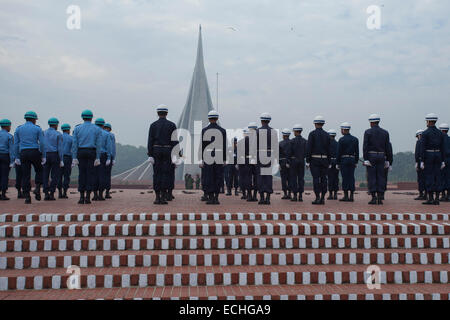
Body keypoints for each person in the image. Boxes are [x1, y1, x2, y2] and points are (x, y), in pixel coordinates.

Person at [147, 105, 179, 205]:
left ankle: (157, 197)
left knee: (157, 174)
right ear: (166, 113)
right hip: (168, 151)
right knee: (166, 173)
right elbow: (175, 141)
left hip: (156, 150)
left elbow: (150, 141)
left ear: (157, 113)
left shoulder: (153, 125)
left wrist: (150, 154)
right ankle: (163, 196)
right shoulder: (172, 125)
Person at [14, 111, 46, 204]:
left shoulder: (19, 129)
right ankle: (37, 187)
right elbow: (42, 143)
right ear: (33, 119)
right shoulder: (37, 129)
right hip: (34, 152)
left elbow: (16, 144)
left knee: (25, 175)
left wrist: (17, 157)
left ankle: (27, 196)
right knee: (39, 170)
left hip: (23, 153)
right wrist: (43, 155)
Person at [72, 109, 102, 204]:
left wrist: (74, 157)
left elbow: (74, 144)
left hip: (81, 151)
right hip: (91, 152)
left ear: (82, 117)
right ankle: (88, 197)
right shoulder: (97, 129)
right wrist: (98, 157)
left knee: (82, 173)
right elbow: (98, 144)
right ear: (91, 118)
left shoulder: (77, 128)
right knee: (90, 174)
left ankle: (81, 197)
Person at [363, 114, 392, 205]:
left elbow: (365, 147)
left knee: (372, 176)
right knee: (381, 176)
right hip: (381, 156)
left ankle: (373, 197)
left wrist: (366, 159)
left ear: (371, 122)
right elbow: (388, 147)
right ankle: (380, 197)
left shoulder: (368, 132)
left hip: (371, 156)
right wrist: (388, 160)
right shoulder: (385, 132)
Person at [199, 110, 227, 205]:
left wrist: (201, 159)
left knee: (209, 177)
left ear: (209, 118)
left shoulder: (204, 130)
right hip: (219, 156)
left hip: (208, 156)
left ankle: (210, 197)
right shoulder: (223, 131)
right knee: (218, 176)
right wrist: (224, 159)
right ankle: (216, 197)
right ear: (217, 118)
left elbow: (202, 146)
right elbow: (224, 146)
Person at [419, 114, 446, 205]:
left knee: (429, 176)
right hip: (438, 155)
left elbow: (422, 147)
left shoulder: (425, 133)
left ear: (428, 121)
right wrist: (443, 160)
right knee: (438, 176)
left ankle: (430, 198)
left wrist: (422, 160)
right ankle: (437, 198)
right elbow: (443, 148)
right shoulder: (440, 133)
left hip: (429, 155)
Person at [306, 116, 331, 205]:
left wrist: (308, 160)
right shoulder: (327, 135)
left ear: (315, 124)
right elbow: (329, 149)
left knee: (316, 179)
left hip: (314, 159)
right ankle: (323, 197)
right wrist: (329, 161)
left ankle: (317, 197)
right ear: (323, 124)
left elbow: (309, 148)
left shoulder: (312, 134)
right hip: (324, 160)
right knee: (324, 179)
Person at [256, 113, 277, 205]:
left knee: (260, 176)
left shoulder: (257, 131)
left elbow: (253, 146)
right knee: (268, 176)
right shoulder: (273, 132)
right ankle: (268, 197)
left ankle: (261, 197)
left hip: (260, 154)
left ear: (261, 121)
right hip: (269, 154)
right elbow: (276, 145)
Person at [336, 122, 359, 202]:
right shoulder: (355, 139)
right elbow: (357, 152)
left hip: (344, 160)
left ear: (343, 129)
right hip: (352, 159)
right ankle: (351, 196)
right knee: (351, 177)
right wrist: (356, 161)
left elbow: (338, 152)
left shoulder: (341, 140)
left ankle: (346, 196)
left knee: (345, 177)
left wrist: (337, 163)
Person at [43, 118, 63, 201]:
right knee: (55, 175)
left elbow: (41, 144)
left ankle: (46, 193)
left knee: (45, 175)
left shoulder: (43, 133)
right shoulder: (58, 134)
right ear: (55, 125)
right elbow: (60, 148)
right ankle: (51, 193)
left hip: (45, 154)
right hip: (55, 155)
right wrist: (61, 159)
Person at [92, 118, 112, 201]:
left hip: (93, 155)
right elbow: (109, 147)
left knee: (93, 175)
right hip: (103, 156)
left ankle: (94, 194)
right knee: (102, 175)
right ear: (103, 125)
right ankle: (100, 194)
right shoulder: (107, 134)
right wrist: (109, 157)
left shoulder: (92, 133)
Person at [289, 124, 307, 202]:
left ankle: (295, 195)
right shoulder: (305, 141)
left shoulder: (292, 141)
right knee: (301, 178)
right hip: (301, 160)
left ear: (295, 132)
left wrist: (289, 161)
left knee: (293, 178)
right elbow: (307, 152)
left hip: (294, 161)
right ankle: (300, 196)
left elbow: (289, 153)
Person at [57, 124, 73, 199]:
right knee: (66, 176)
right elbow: (73, 150)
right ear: (68, 130)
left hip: (59, 158)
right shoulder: (71, 138)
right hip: (67, 158)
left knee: (59, 176)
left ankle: (59, 192)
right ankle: (64, 192)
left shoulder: (59, 136)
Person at [0, 119, 14, 201]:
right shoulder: (9, 136)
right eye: (9, 126)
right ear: (7, 126)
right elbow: (11, 150)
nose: (10, 128)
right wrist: (12, 161)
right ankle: (3, 194)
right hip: (5, 156)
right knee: (4, 175)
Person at [103, 123, 116, 199]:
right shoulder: (111, 135)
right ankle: (107, 192)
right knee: (107, 175)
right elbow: (113, 147)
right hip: (109, 156)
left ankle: (99, 192)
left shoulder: (100, 134)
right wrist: (113, 157)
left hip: (101, 156)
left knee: (100, 174)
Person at [247, 122, 259, 202]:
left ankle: (250, 195)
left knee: (248, 178)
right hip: (256, 161)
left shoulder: (246, 139)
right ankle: (254, 195)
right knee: (256, 179)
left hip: (248, 161)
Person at [327, 129, 339, 200]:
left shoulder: (327, 144)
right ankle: (335, 194)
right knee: (336, 178)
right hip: (336, 162)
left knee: (330, 178)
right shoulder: (337, 143)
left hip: (330, 162)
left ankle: (331, 194)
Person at [279, 128, 291, 200]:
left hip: (282, 162)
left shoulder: (280, 143)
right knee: (290, 179)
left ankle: (285, 194)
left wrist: (278, 164)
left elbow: (278, 155)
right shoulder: (292, 142)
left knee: (283, 179)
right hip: (290, 163)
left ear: (283, 135)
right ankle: (290, 193)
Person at [438, 123, 449, 202]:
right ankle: (448, 195)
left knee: (441, 178)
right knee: (448, 178)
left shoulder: (439, 140)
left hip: (442, 160)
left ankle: (443, 195)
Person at [414, 130, 426, 200]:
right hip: (425, 162)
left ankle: (421, 194)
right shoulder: (426, 142)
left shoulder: (419, 142)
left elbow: (417, 153)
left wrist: (417, 162)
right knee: (426, 178)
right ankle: (426, 193)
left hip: (420, 162)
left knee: (420, 179)